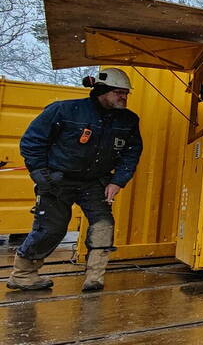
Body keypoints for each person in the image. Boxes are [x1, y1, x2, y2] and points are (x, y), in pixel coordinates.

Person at [9, 68, 143, 292]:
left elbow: (131, 152)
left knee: (103, 225)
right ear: (102, 90)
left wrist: (118, 181)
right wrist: (40, 174)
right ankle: (23, 275)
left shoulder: (128, 120)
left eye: (126, 93)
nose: (124, 97)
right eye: (119, 92)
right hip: (57, 180)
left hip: (94, 182)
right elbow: (32, 141)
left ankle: (95, 278)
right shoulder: (64, 110)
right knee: (51, 229)